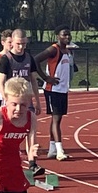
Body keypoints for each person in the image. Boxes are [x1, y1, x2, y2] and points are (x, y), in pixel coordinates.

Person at [0, 29, 44, 175]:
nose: (21, 47)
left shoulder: (29, 59)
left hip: (26, 101)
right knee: (7, 132)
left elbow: (33, 81)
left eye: (23, 44)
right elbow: (0, 81)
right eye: (18, 44)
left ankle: (32, 163)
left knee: (31, 130)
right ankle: (3, 161)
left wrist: (38, 101)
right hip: (10, 101)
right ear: (12, 42)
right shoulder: (6, 59)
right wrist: (6, 99)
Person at [35, 27, 75, 161]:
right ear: (58, 36)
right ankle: (59, 150)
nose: (67, 37)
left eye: (69, 34)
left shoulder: (67, 51)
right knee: (56, 119)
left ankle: (52, 148)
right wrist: (46, 78)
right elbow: (36, 60)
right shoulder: (53, 49)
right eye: (64, 35)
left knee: (56, 119)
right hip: (53, 90)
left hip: (63, 89)